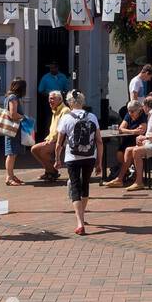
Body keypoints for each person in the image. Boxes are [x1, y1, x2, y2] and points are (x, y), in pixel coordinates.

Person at [108, 87, 152, 190]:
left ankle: (139, 181)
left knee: (136, 151)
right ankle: (120, 179)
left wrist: (144, 137)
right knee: (128, 150)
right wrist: (144, 138)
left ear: (146, 106)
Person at [54, 91, 103, 235]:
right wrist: (99, 162)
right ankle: (82, 215)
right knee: (85, 185)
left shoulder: (66, 117)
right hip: (90, 156)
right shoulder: (92, 116)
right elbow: (99, 141)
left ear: (69, 102)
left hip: (72, 157)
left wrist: (57, 159)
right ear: (82, 101)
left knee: (75, 186)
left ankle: (80, 223)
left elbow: (59, 143)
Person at [31, 90, 69, 182]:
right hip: (53, 139)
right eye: (49, 99)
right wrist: (48, 139)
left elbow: (62, 130)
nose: (50, 101)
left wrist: (52, 140)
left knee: (41, 151)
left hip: (61, 141)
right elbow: (53, 129)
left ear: (60, 99)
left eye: (52, 99)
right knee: (34, 149)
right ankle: (50, 171)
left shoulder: (65, 110)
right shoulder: (55, 110)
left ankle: (52, 172)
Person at [113, 99, 148, 182]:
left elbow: (142, 131)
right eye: (129, 111)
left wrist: (131, 131)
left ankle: (130, 174)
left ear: (139, 110)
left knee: (129, 152)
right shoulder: (128, 115)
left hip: (138, 140)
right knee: (119, 154)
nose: (130, 113)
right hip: (128, 139)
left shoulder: (143, 116)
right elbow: (121, 128)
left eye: (132, 111)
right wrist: (133, 131)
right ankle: (128, 171)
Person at [0, 77, 27, 187]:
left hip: (12, 129)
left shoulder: (9, 97)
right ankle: (9, 177)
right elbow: (13, 114)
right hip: (13, 130)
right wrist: (24, 117)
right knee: (11, 154)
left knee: (13, 153)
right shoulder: (13, 98)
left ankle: (11, 175)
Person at [36, 61, 71, 138]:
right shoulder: (45, 77)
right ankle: (48, 137)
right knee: (50, 119)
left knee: (61, 119)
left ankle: (60, 137)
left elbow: (67, 89)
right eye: (50, 68)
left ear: (57, 68)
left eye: (53, 68)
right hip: (50, 102)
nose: (52, 69)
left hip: (61, 102)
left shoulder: (63, 77)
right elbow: (40, 90)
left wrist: (61, 96)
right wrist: (51, 97)